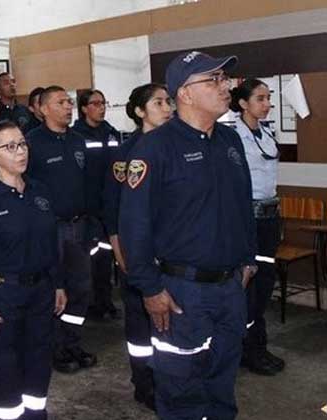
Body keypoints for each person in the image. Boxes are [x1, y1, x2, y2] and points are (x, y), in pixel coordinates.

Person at [119, 51, 256, 419]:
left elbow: (243, 204)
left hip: (230, 287)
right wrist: (149, 288)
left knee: (222, 384)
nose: (225, 86)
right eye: (213, 80)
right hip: (181, 293)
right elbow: (135, 225)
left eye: (223, 78)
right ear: (186, 94)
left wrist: (247, 260)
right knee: (181, 391)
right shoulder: (155, 148)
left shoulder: (229, 140)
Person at [0, 121, 67, 420]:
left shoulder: (39, 191)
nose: (20, 152)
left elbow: (52, 243)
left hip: (41, 292)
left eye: (23, 144)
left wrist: (58, 284)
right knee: (5, 369)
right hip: (3, 295)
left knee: (39, 362)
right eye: (10, 146)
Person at [102, 83, 173, 411]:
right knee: (141, 324)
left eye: (167, 101)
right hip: (137, 250)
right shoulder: (128, 151)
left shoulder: (175, 146)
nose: (167, 107)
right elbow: (113, 206)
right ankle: (144, 383)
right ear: (139, 111)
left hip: (172, 253)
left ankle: (171, 379)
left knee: (170, 323)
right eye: (158, 102)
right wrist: (119, 250)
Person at [25, 85, 96, 374]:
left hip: (79, 225)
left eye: (69, 101)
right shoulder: (32, 143)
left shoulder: (78, 140)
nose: (68, 106)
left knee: (81, 289)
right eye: (61, 102)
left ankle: (72, 342)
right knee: (54, 292)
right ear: (43, 109)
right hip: (50, 229)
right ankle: (54, 348)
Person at [230, 78, 285, 376]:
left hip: (269, 217)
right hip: (247, 218)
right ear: (243, 103)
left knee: (263, 285)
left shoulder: (266, 132)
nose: (267, 104)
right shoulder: (232, 135)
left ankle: (256, 345)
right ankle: (248, 349)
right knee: (248, 287)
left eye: (268, 98)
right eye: (260, 99)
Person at [73, 89, 122, 321]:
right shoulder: (77, 135)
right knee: (91, 260)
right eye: (95, 103)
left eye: (103, 103)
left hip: (109, 206)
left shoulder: (111, 133)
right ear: (84, 108)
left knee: (107, 257)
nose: (101, 107)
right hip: (89, 208)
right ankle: (93, 304)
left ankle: (106, 301)